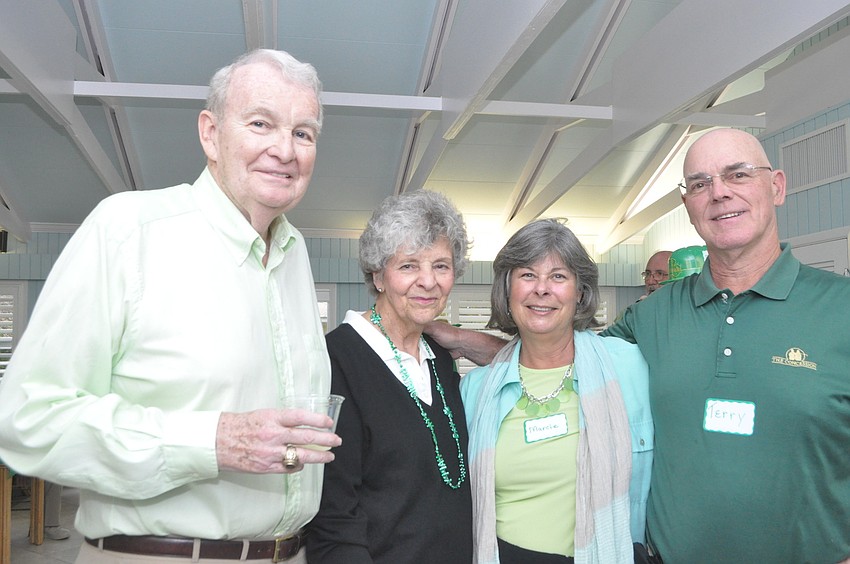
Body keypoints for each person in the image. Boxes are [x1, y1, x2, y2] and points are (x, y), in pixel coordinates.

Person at [427, 128, 850, 563]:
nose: (719, 193)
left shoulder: (841, 308)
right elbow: (557, 356)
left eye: (738, 175)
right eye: (701, 183)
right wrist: (460, 339)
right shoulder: (654, 315)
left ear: (776, 186)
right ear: (688, 205)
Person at [0, 49, 341, 564]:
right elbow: (27, 418)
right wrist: (211, 441)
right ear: (210, 134)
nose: (285, 149)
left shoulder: (294, 257)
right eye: (260, 123)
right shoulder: (128, 230)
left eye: (303, 133)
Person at [461, 218, 652, 564]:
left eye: (558, 276)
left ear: (580, 292)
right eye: (527, 275)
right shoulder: (474, 391)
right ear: (507, 289)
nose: (542, 289)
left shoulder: (630, 368)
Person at [307, 190, 473, 563]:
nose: (428, 282)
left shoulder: (441, 361)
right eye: (409, 265)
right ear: (379, 276)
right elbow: (334, 518)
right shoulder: (337, 361)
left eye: (441, 266)